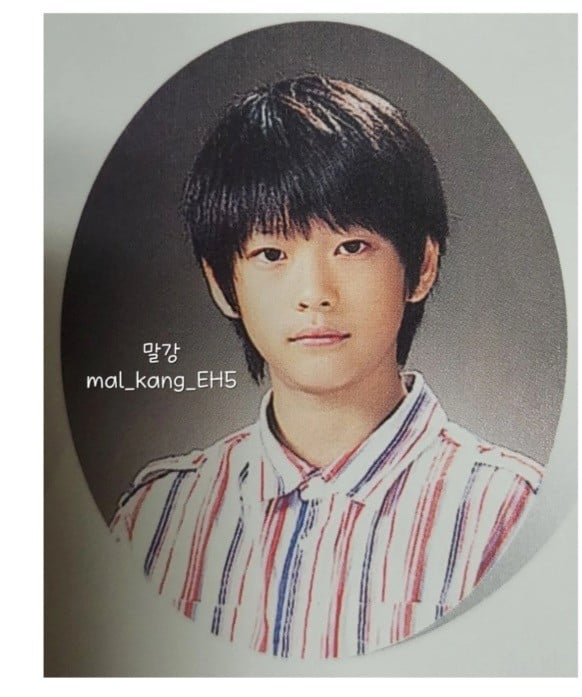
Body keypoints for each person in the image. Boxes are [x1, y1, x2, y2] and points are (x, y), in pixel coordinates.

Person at [110, 75, 544, 659]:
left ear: (421, 266)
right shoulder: (157, 518)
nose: (314, 293)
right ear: (222, 285)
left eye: (351, 247)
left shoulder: (511, 514)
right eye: (271, 254)